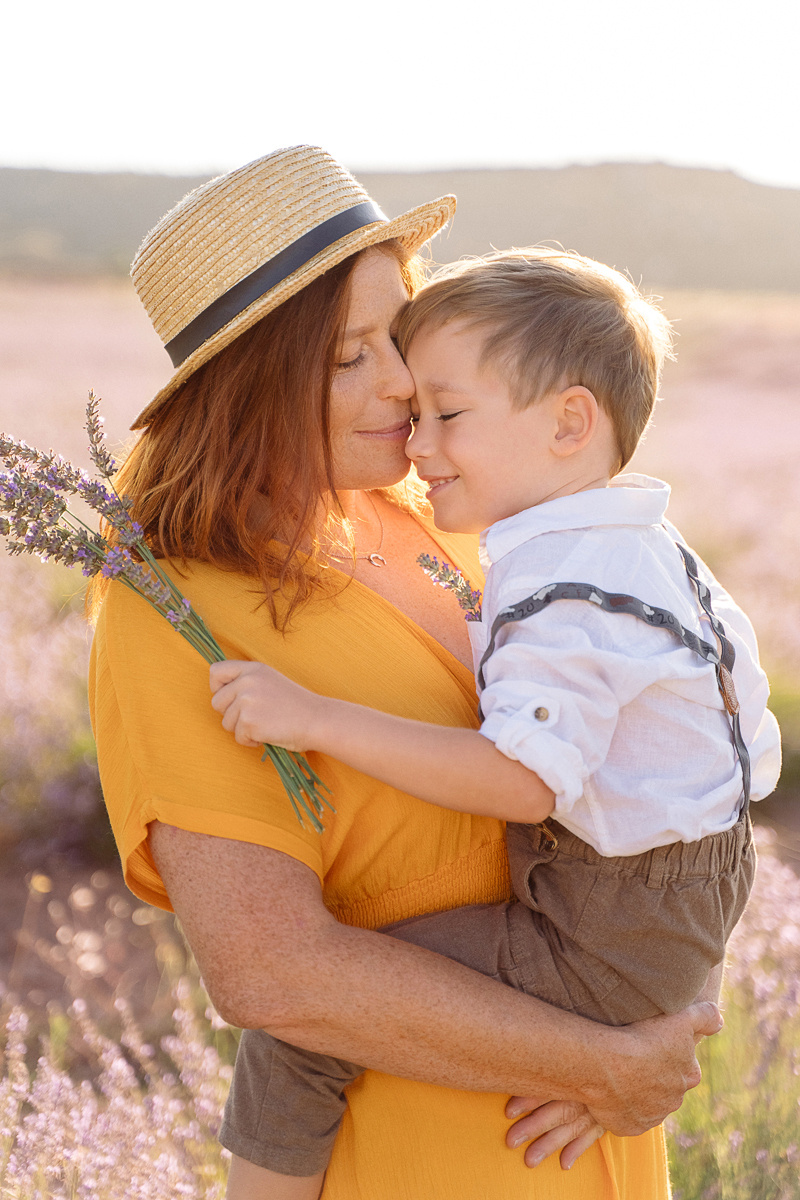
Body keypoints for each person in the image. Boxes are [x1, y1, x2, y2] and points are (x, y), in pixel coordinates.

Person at [89, 148, 722, 1200]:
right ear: (246, 385)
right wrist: (602, 1064)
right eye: (346, 357)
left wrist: (656, 996)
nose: (399, 380)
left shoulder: (452, 516)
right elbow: (271, 971)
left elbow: (657, 749)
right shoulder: (176, 611)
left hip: (584, 1132)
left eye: (400, 330)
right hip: (421, 1148)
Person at [209, 248, 783, 1194]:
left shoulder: (567, 585)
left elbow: (521, 779)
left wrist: (316, 717)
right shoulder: (642, 543)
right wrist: (673, 976)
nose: (416, 444)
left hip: (604, 926)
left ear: (569, 422)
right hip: (681, 902)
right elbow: (726, 760)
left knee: (305, 1029)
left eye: (449, 415)